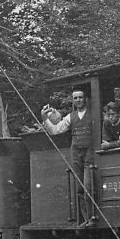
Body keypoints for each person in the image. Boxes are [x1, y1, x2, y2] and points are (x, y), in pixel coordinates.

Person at [41, 89, 96, 227]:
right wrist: (45, 118)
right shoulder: (71, 117)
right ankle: (85, 219)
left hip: (90, 152)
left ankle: (93, 217)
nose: (78, 100)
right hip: (76, 153)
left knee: (89, 185)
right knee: (79, 187)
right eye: (75, 98)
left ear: (85, 99)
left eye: (80, 97)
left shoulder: (94, 114)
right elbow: (55, 130)